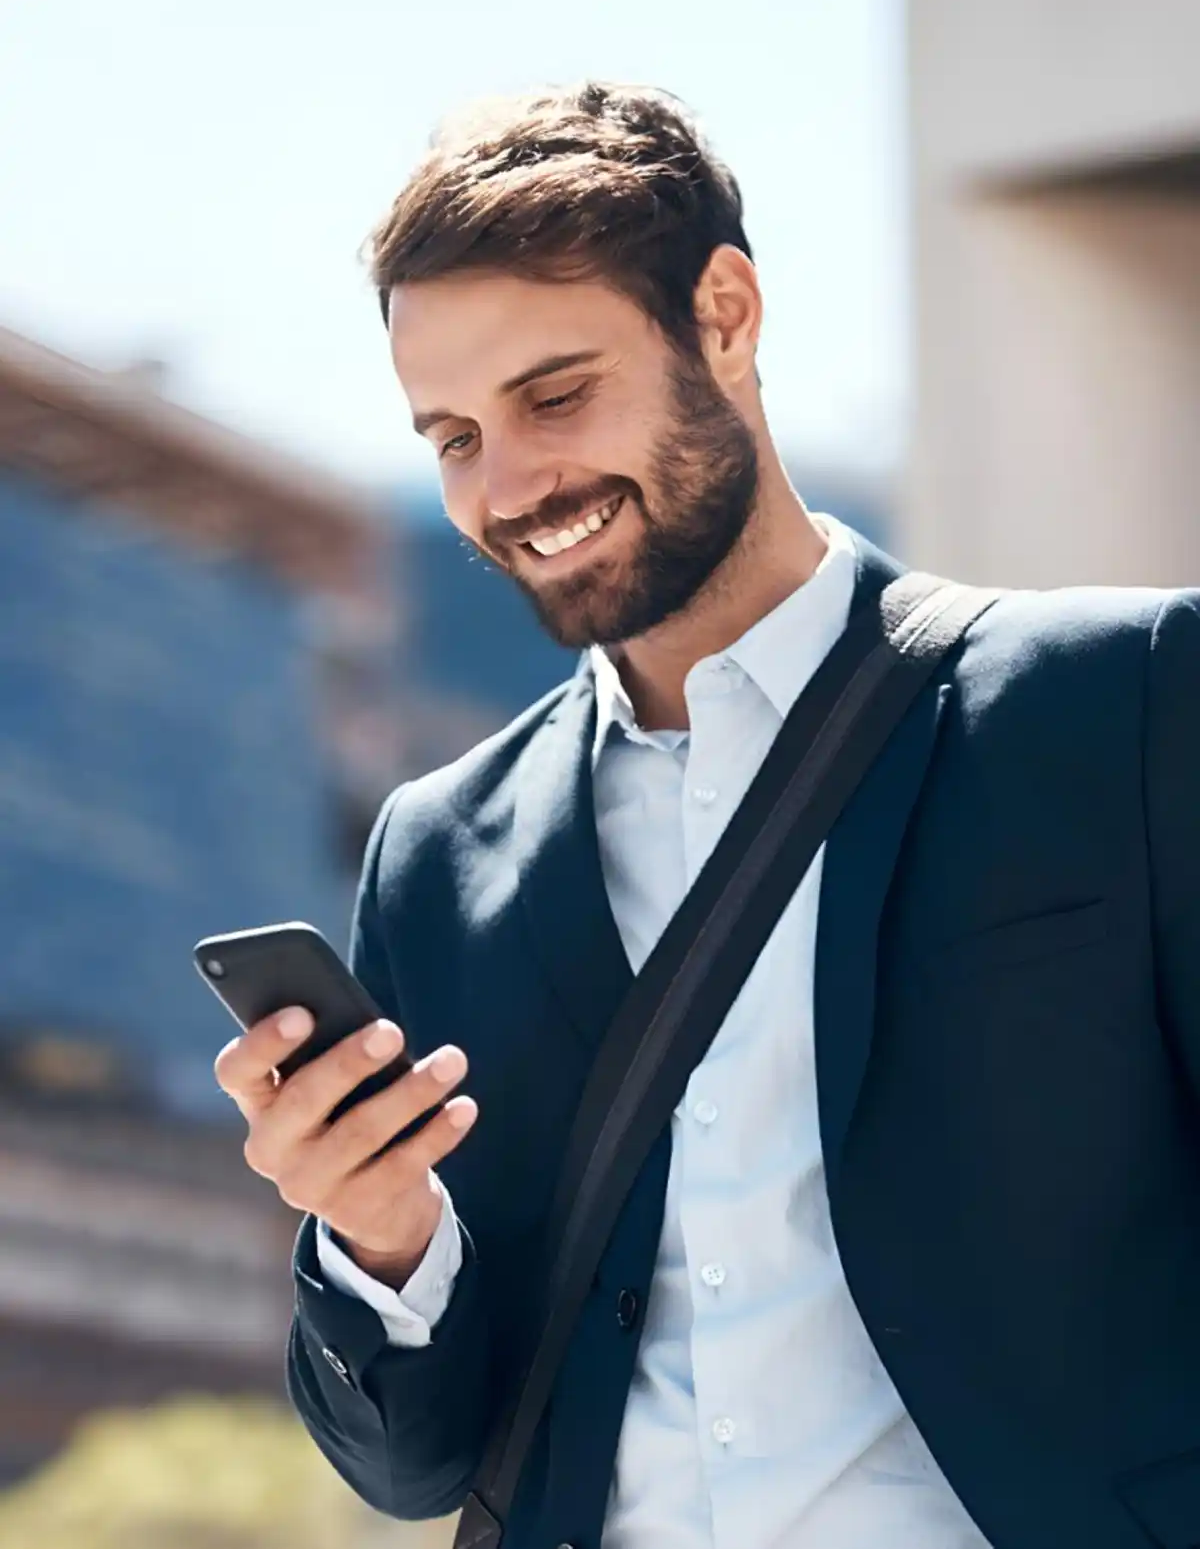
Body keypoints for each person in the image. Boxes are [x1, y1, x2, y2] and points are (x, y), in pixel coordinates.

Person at [214, 82, 1200, 1549]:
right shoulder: (436, 852)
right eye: (454, 438)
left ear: (725, 316)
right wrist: (380, 1235)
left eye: (555, 397)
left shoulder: (1121, 697)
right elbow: (417, 1469)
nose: (510, 486)